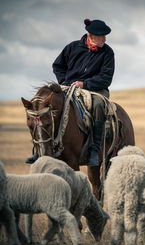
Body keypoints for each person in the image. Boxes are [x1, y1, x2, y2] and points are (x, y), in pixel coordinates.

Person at [26, 18, 115, 166]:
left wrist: (85, 84)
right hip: (69, 86)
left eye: (105, 36)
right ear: (91, 36)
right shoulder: (72, 47)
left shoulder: (108, 53)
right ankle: (39, 149)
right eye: (102, 36)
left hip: (96, 90)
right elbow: (57, 65)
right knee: (46, 105)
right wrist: (64, 81)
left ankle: (94, 149)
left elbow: (106, 77)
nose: (105, 39)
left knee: (99, 105)